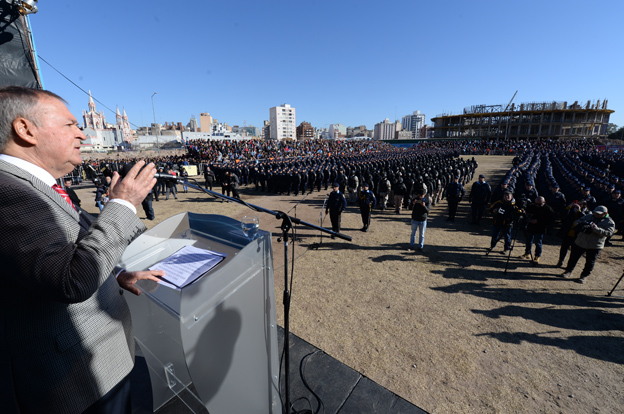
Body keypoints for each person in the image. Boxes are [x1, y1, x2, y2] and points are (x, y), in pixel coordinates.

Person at [0, 86, 163, 413]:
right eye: (70, 125)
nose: (83, 135)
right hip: (77, 380)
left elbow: (51, 266)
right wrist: (123, 203)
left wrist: (113, 277)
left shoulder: (34, 186)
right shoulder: (9, 192)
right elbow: (70, 281)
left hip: (103, 363)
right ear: (25, 129)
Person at [561, 206, 615, 283]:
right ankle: (568, 271)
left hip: (594, 245)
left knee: (590, 262)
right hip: (581, 241)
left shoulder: (609, 222)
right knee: (573, 258)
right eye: (595, 213)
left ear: (605, 213)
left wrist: (596, 229)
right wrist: (582, 224)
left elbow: (609, 233)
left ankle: (584, 276)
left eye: (598, 214)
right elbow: (576, 222)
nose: (596, 214)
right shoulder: (589, 216)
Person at [520, 196, 554, 264]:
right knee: (528, 240)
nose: (537, 205)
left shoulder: (548, 209)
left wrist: (538, 221)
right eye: (536, 203)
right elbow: (527, 213)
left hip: (540, 228)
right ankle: (527, 253)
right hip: (530, 227)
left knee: (538, 242)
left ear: (544, 202)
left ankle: (537, 256)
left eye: (539, 204)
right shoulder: (532, 206)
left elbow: (550, 220)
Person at [556, 200, 589, 267]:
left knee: (574, 252)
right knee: (564, 248)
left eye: (580, 204)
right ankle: (560, 261)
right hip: (568, 233)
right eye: (577, 204)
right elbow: (562, 215)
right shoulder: (571, 210)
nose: (578, 205)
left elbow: (584, 219)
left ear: (584, 205)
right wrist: (569, 207)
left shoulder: (587, 212)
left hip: (577, 235)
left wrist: (579, 211)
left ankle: (569, 266)